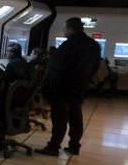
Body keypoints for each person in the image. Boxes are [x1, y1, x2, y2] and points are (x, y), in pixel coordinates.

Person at [36, 17, 101, 156]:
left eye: (64, 28)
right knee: (76, 117)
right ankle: (74, 146)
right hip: (80, 87)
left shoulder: (68, 45)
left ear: (70, 29)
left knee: (60, 118)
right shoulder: (94, 45)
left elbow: (57, 69)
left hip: (62, 88)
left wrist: (49, 86)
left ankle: (53, 146)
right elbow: (95, 66)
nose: (63, 31)